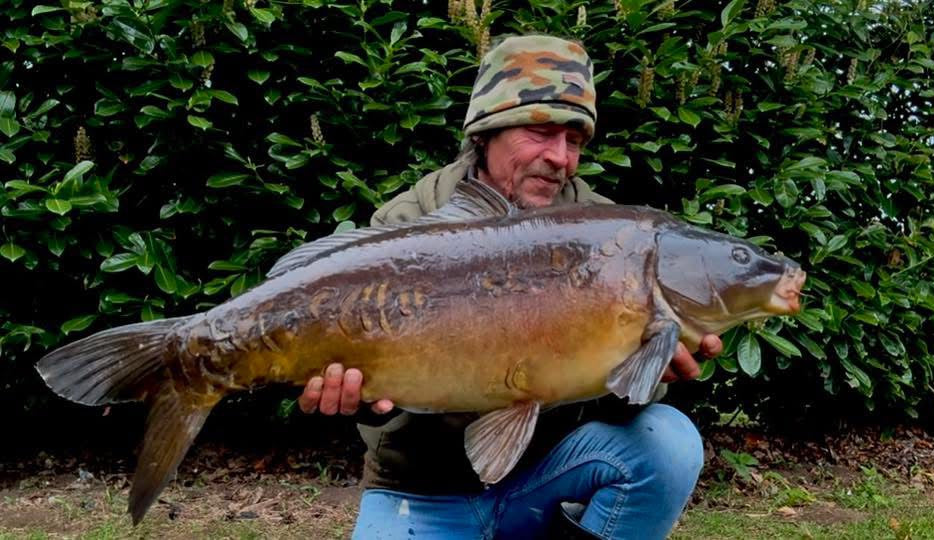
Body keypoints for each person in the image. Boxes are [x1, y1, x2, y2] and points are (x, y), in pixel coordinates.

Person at [298, 34, 722, 539]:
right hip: (420, 489)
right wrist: (359, 393)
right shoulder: (410, 223)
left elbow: (617, 401)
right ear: (485, 132)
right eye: (541, 132)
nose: (560, 157)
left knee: (667, 442)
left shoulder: (609, 235)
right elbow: (377, 402)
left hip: (548, 475)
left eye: (575, 141)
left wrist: (649, 367)